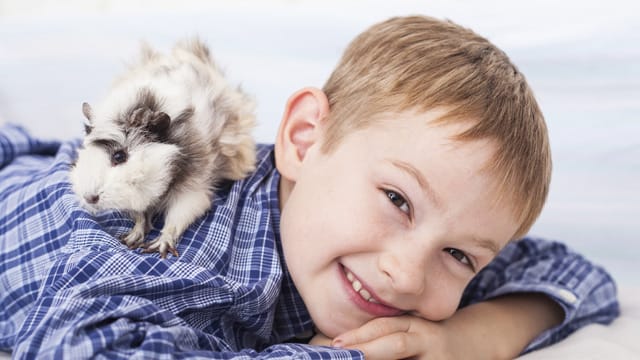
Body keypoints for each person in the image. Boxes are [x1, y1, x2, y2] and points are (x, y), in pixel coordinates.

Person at [0, 15, 618, 359]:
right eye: (398, 200)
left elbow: (579, 275)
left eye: (460, 256)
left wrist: (466, 338)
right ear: (302, 139)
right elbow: (78, 347)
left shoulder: (387, 250)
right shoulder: (200, 258)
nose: (407, 274)